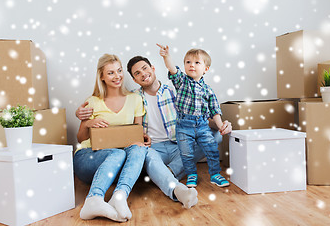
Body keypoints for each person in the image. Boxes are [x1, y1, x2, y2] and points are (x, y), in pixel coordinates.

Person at [76, 55, 232, 208]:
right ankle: (173, 185)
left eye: (145, 68)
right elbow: (132, 130)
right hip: (153, 149)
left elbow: (201, 120)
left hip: (179, 144)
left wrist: (221, 125)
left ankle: (166, 173)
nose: (143, 74)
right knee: (141, 152)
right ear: (134, 79)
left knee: (215, 136)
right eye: (137, 73)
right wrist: (84, 118)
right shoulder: (134, 97)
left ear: (153, 68)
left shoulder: (177, 91)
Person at [74, 54, 150, 222]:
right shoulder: (92, 101)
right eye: (110, 73)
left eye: (119, 71)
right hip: (88, 157)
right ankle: (93, 199)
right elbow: (80, 139)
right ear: (101, 76)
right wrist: (88, 123)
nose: (117, 76)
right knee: (117, 154)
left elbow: (137, 132)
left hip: (116, 164)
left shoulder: (135, 99)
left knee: (137, 149)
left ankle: (119, 197)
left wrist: (143, 139)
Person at [157, 44, 231, 188]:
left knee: (211, 149)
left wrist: (221, 125)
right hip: (184, 126)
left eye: (197, 62)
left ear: (205, 69)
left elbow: (215, 110)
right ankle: (191, 174)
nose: (192, 65)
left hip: (202, 125)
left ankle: (215, 174)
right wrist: (166, 57)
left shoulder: (208, 90)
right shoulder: (181, 82)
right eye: (188, 62)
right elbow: (172, 69)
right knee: (186, 153)